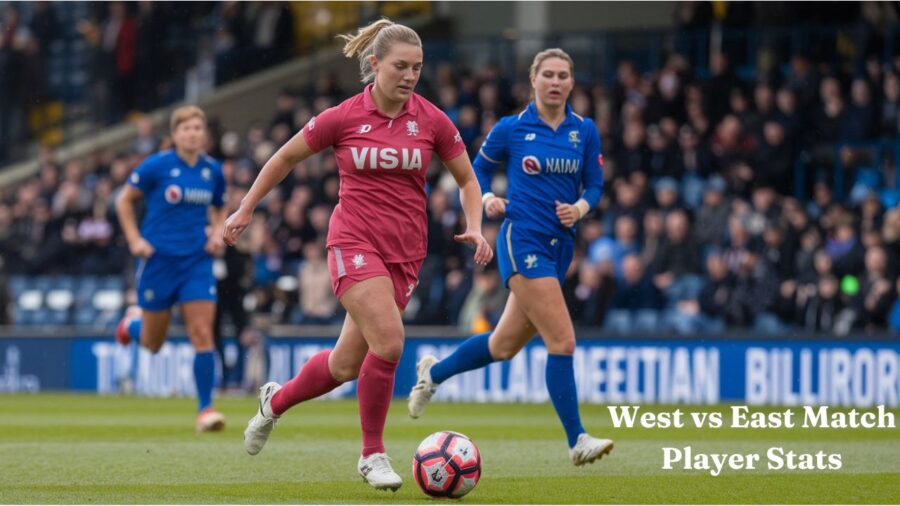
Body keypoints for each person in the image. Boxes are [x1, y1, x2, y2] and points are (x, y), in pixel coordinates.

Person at [225, 19, 492, 491]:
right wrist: (246, 207)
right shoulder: (345, 116)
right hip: (352, 242)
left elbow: (468, 181)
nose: (410, 76)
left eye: (418, 67)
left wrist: (474, 225)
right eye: (400, 66)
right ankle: (372, 455)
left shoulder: (431, 119)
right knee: (390, 343)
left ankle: (275, 401)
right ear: (374, 65)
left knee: (345, 365)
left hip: (405, 255)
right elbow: (284, 157)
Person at [407, 48, 614, 467]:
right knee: (563, 340)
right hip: (522, 240)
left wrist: (581, 209)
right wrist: (487, 199)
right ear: (533, 80)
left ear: (571, 83)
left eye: (563, 76)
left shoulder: (584, 130)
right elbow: (474, 171)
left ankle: (433, 374)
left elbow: (594, 184)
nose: (555, 82)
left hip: (561, 245)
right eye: (548, 75)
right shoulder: (512, 129)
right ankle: (577, 439)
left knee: (503, 346)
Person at [114, 105, 228, 432]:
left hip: (196, 262)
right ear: (175, 134)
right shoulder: (157, 166)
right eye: (186, 128)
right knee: (153, 342)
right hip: (158, 261)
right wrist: (135, 239)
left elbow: (221, 206)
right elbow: (123, 201)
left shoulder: (212, 171)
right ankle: (130, 326)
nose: (193, 133)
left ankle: (205, 409)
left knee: (202, 333)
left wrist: (217, 231)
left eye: (197, 128)